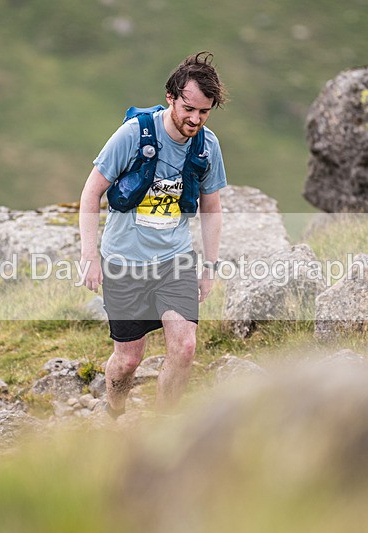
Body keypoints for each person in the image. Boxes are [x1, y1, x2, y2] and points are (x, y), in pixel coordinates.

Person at [78, 51, 228, 417]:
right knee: (128, 359)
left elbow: (212, 208)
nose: (195, 119)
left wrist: (209, 267)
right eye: (188, 108)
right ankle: (114, 411)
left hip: (173, 261)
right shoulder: (134, 134)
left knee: (185, 347)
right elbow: (91, 192)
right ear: (171, 97)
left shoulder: (207, 146)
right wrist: (89, 256)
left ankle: (163, 429)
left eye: (204, 112)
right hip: (124, 263)